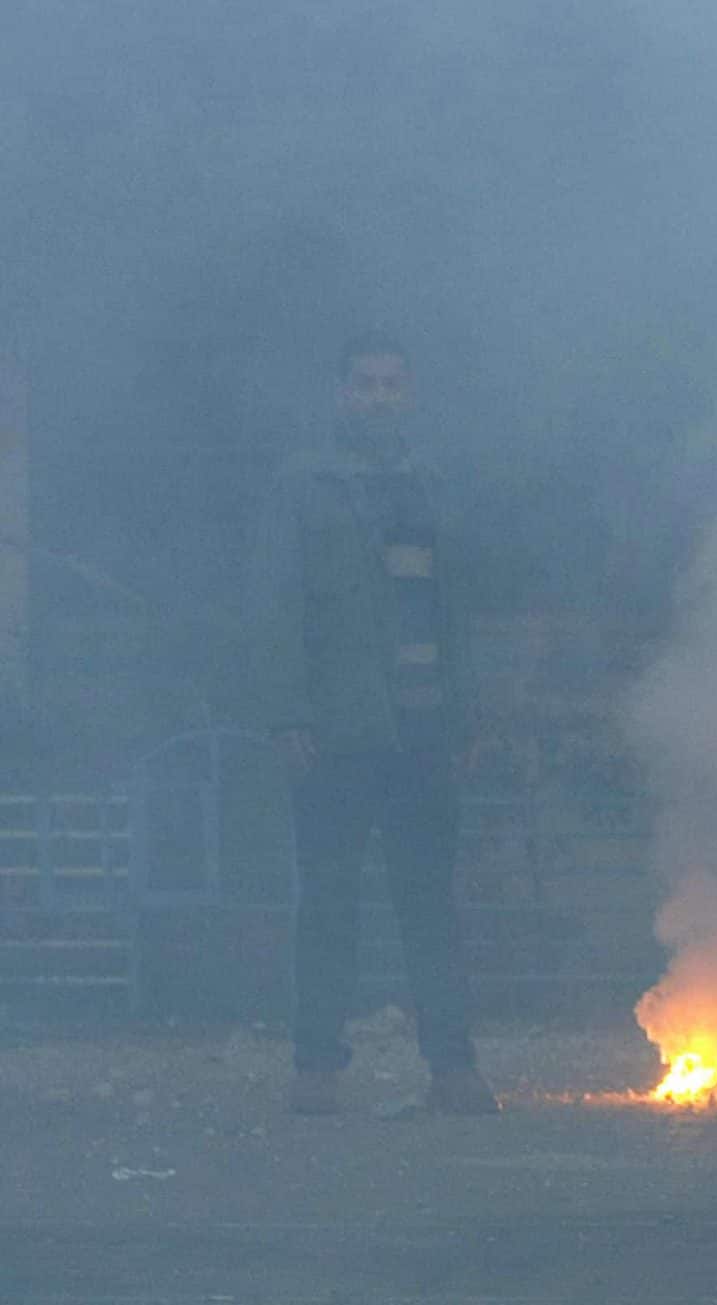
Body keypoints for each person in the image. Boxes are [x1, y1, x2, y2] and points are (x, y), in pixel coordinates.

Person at [250, 331, 495, 1116]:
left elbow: (460, 609)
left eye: (393, 383)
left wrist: (466, 716)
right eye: (366, 383)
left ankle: (453, 1070)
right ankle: (315, 1070)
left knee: (430, 903)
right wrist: (288, 713)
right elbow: (275, 603)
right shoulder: (303, 485)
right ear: (341, 392)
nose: (380, 397)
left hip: (425, 732)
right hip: (338, 732)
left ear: (409, 393)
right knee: (328, 901)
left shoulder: (436, 485)